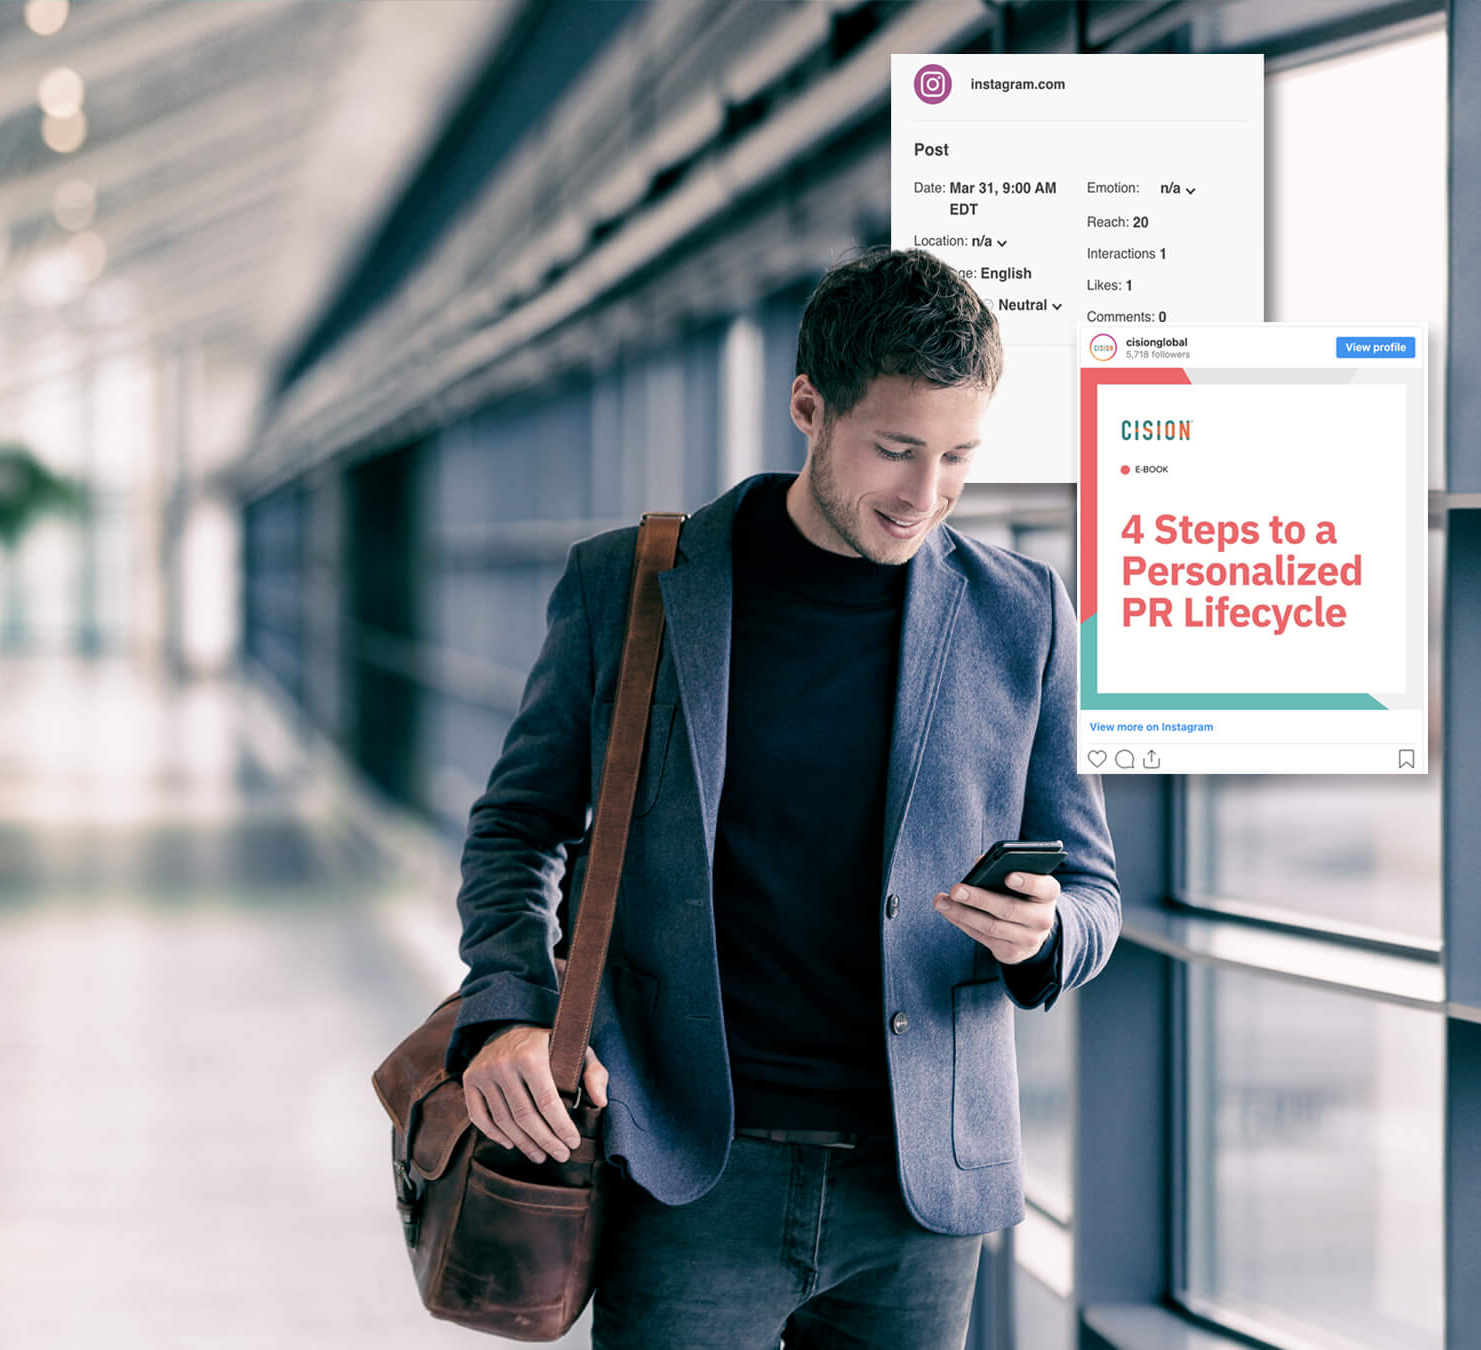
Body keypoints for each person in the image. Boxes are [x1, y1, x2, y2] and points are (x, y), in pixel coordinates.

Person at [441, 246, 1121, 1349]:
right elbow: (519, 828)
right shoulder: (633, 586)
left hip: (921, 1192)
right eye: (896, 449)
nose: (927, 495)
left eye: (958, 457)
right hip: (692, 1169)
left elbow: (1094, 890)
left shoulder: (1022, 613)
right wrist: (509, 1006)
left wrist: (1046, 935)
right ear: (808, 404)